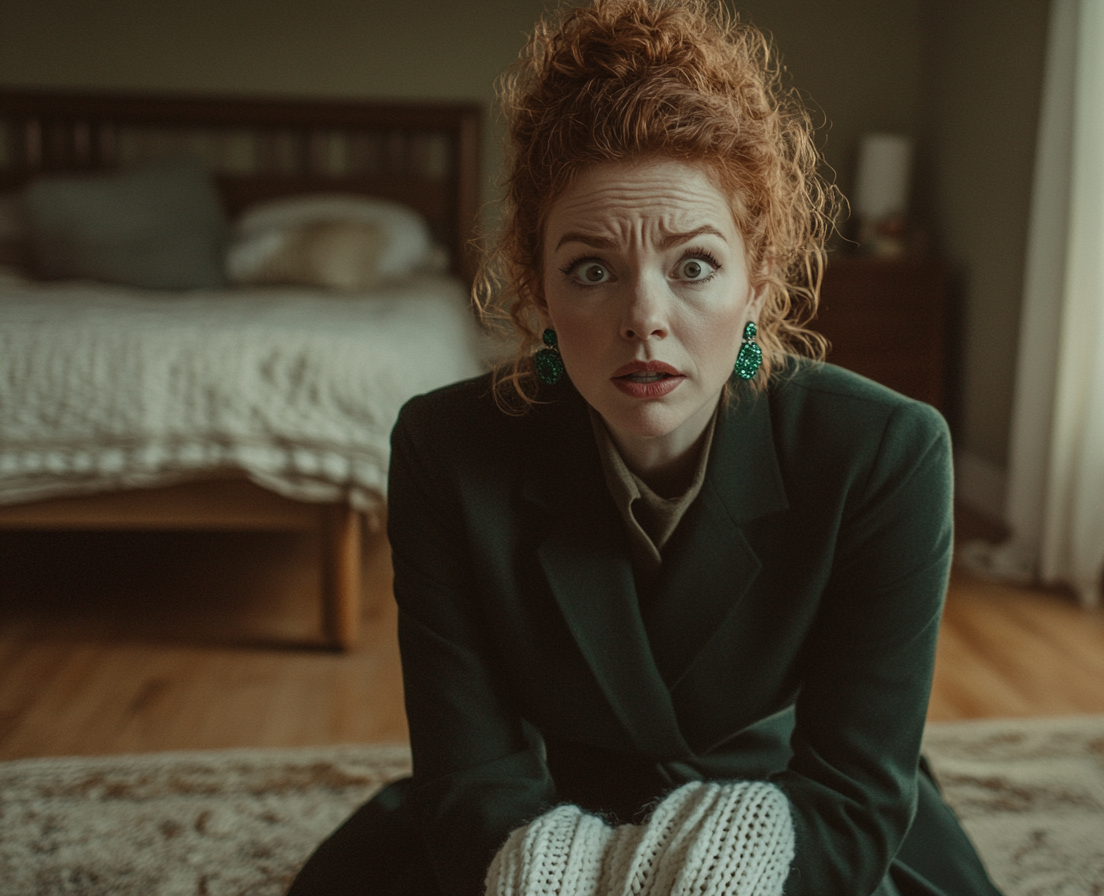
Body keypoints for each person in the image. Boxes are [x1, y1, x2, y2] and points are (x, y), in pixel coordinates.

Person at [288, 1, 1003, 894]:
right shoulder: (444, 451)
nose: (644, 320)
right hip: (534, 818)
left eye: (694, 266)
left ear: (759, 283)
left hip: (787, 821)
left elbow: (852, 788)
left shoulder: (887, 453)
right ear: (540, 296)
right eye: (591, 269)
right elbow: (471, 774)